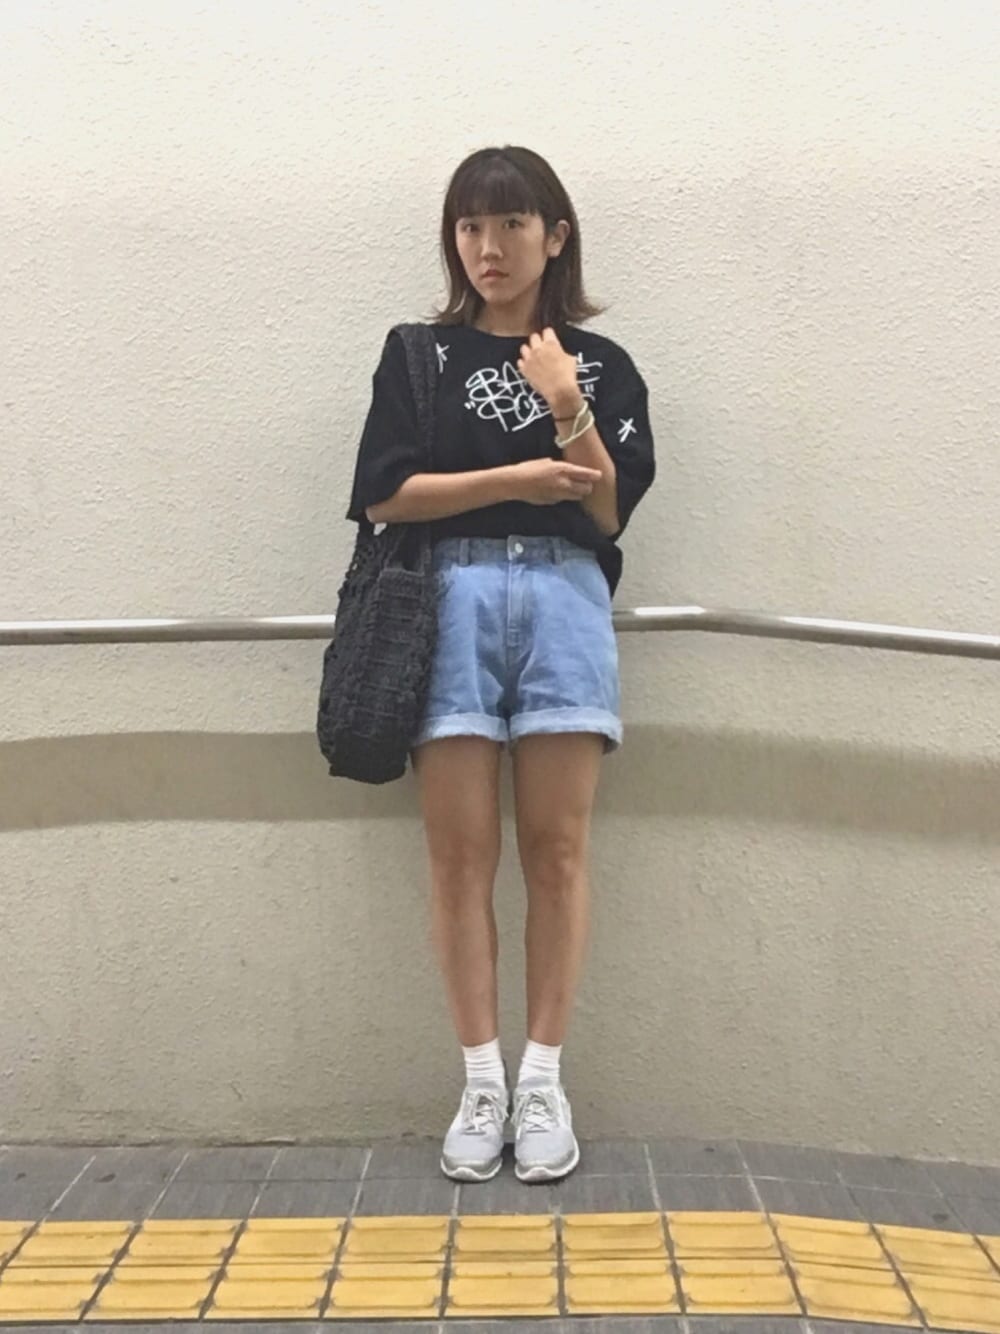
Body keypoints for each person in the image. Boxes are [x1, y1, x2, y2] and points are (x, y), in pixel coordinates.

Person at [346, 146, 655, 1183]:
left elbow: (606, 510)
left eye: (512, 224)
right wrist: (516, 477)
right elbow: (385, 496)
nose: (488, 246)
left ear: (554, 237)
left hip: (565, 598)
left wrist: (567, 402)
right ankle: (480, 1080)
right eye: (470, 226)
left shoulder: (601, 364)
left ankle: (542, 1082)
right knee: (459, 854)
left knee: (557, 850)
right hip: (448, 597)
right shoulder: (419, 355)